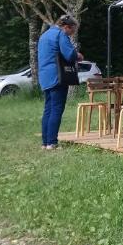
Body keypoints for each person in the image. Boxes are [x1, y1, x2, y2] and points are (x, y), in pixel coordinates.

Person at [37, 14, 82, 149]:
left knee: (48, 109)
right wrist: (78, 55)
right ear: (66, 27)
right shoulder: (60, 35)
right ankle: (52, 143)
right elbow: (69, 54)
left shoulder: (44, 35)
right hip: (57, 76)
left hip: (45, 77)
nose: (72, 34)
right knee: (57, 109)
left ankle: (45, 142)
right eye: (72, 30)